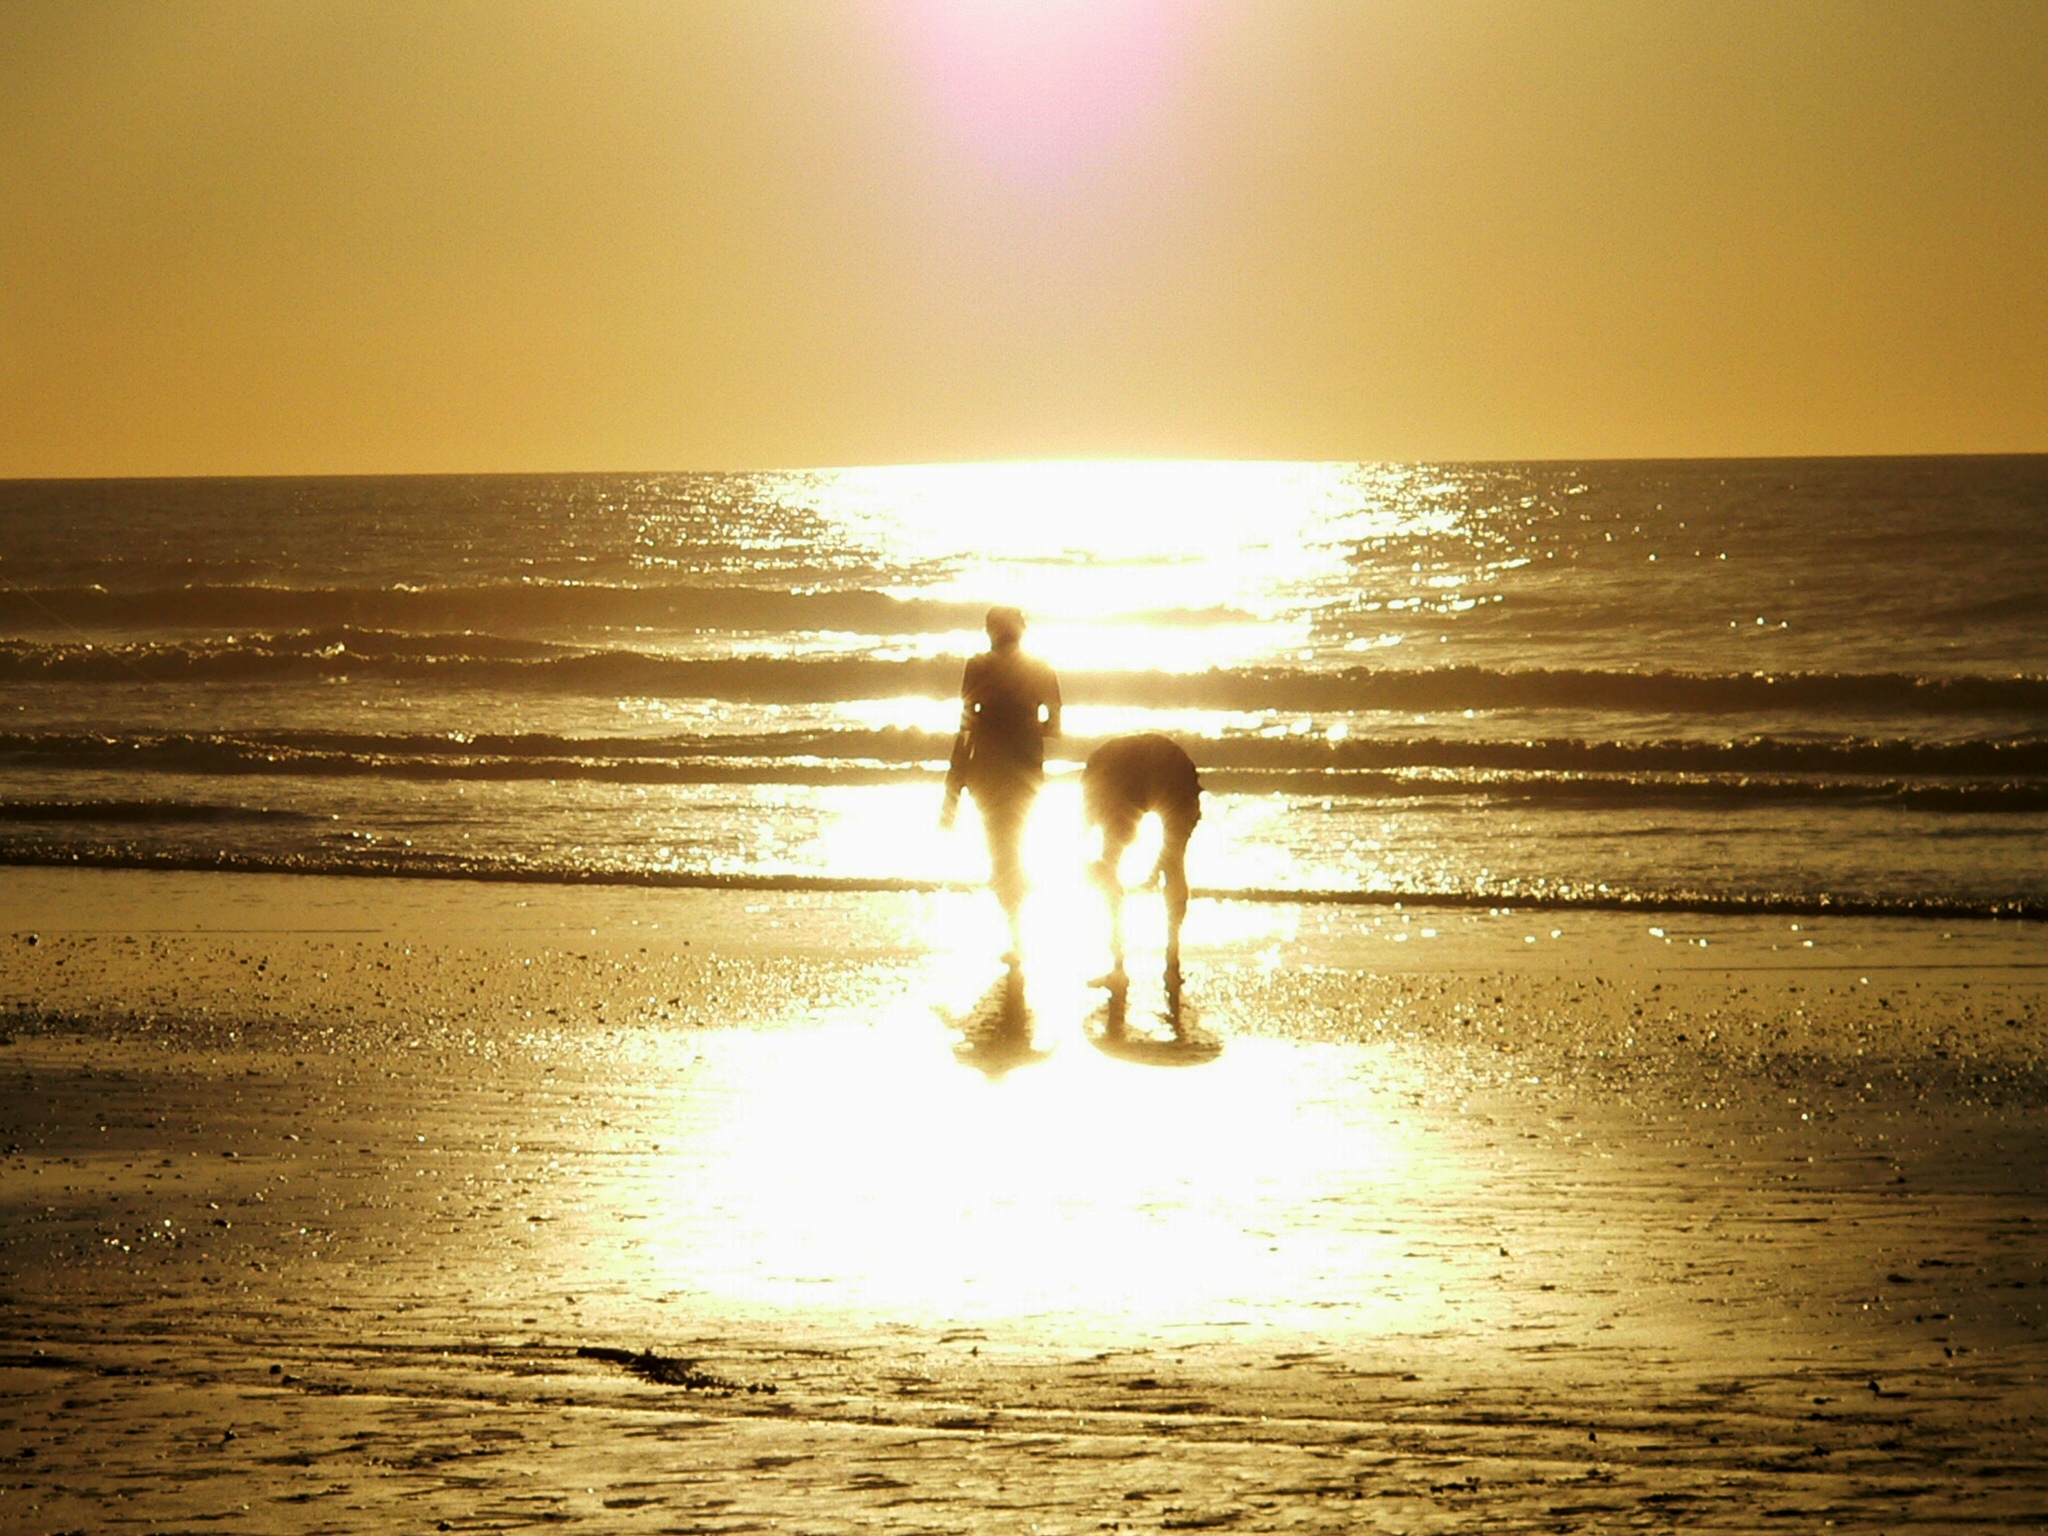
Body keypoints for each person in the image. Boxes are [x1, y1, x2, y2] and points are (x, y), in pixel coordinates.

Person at [940, 606, 1061, 961]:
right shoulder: (1041, 667)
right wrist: (1024, 726)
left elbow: (966, 728)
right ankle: (1019, 931)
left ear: (991, 632)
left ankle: (1016, 934)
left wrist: (953, 785)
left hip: (987, 769)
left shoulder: (978, 666)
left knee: (1001, 849)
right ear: (1022, 631)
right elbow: (1054, 726)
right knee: (1015, 844)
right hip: (1025, 767)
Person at [1082, 733, 1201, 994]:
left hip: (1147, 772)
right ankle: (1172, 965)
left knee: (1111, 865)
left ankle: (1118, 967)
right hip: (1174, 767)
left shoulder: (1098, 778)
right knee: (1174, 865)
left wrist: (1093, 866)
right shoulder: (1100, 771)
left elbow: (1087, 831)